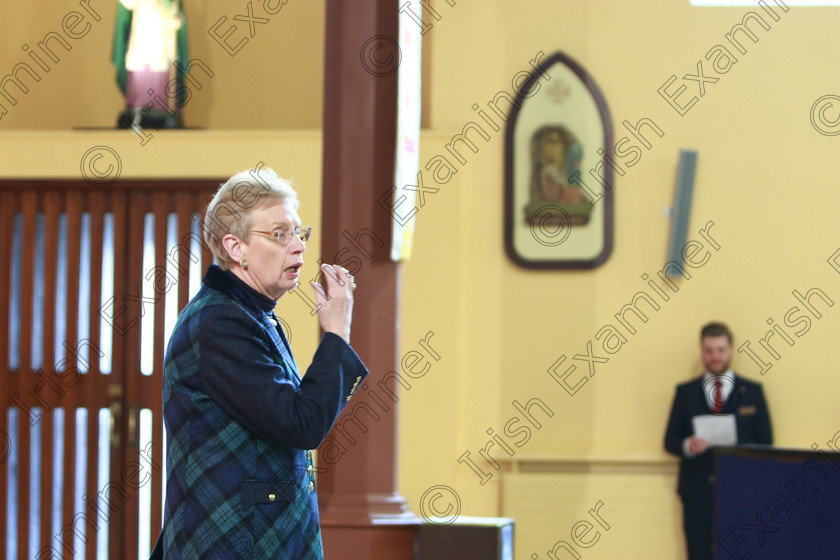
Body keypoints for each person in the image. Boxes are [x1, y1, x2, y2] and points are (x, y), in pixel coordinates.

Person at [153, 168, 368, 559]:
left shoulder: (252, 315)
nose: (299, 247)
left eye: (299, 233)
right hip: (235, 543)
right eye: (279, 234)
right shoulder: (219, 323)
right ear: (236, 248)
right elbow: (302, 424)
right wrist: (336, 332)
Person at [664, 322, 772, 560]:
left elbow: (767, 443)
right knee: (698, 553)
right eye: (709, 350)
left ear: (731, 350)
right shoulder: (685, 392)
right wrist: (688, 445)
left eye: (720, 350)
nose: (715, 357)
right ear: (702, 352)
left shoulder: (752, 392)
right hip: (697, 490)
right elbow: (670, 440)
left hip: (742, 490)